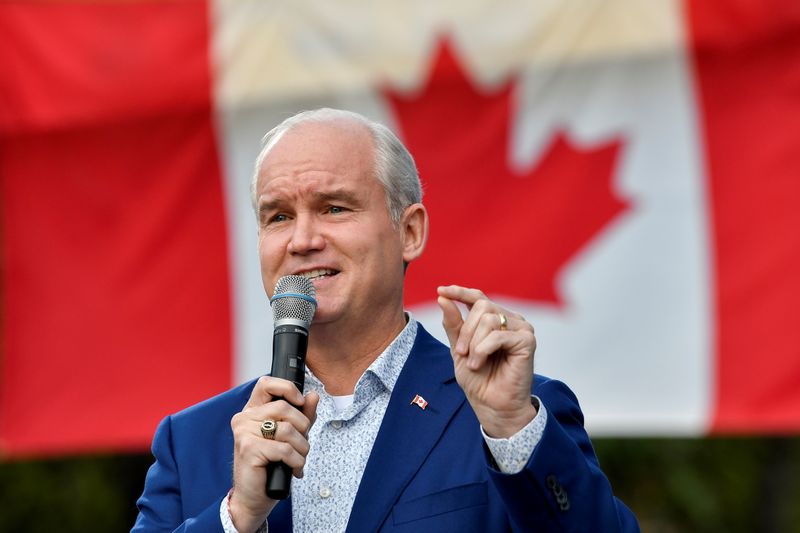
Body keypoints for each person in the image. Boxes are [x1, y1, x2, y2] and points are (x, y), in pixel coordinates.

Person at [133, 108, 639, 532]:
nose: (302, 240)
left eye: (333, 208)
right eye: (279, 216)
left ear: (410, 231)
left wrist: (511, 430)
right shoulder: (194, 440)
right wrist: (238, 515)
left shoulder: (506, 414)